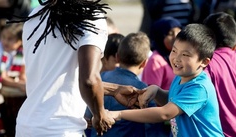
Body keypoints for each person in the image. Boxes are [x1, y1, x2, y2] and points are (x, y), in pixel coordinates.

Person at [10, 0, 141, 136]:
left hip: (26, 127)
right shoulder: (91, 16)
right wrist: (100, 114)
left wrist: (114, 90)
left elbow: (57, 80)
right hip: (61, 130)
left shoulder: (36, 15)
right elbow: (89, 80)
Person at [108, 24, 224, 137]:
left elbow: (165, 113)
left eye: (185, 54)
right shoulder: (181, 76)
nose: (176, 58)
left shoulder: (199, 88)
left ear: (204, 62)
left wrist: (119, 114)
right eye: (174, 51)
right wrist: (157, 92)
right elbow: (174, 100)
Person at [87, 32, 166, 137]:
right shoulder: (142, 89)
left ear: (117, 57)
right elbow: (152, 127)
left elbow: (88, 114)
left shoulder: (101, 78)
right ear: (144, 63)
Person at [142, 17, 181, 90]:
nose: (176, 37)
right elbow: (153, 94)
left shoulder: (180, 56)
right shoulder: (156, 61)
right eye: (170, 33)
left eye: (178, 32)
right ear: (160, 36)